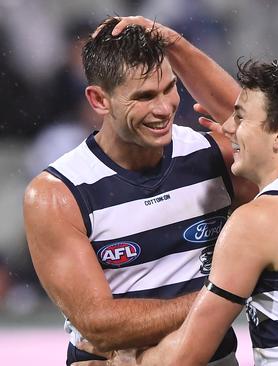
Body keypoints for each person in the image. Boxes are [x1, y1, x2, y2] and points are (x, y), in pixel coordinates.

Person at [23, 16, 257, 365]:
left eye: (169, 88)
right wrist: (225, 296)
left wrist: (175, 43)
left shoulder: (214, 156)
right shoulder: (57, 194)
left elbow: (260, 131)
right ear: (98, 100)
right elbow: (101, 325)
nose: (164, 109)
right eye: (145, 96)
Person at [107, 57, 278, 365]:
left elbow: (187, 355)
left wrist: (127, 360)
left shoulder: (259, 220)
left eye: (239, 118)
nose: (226, 128)